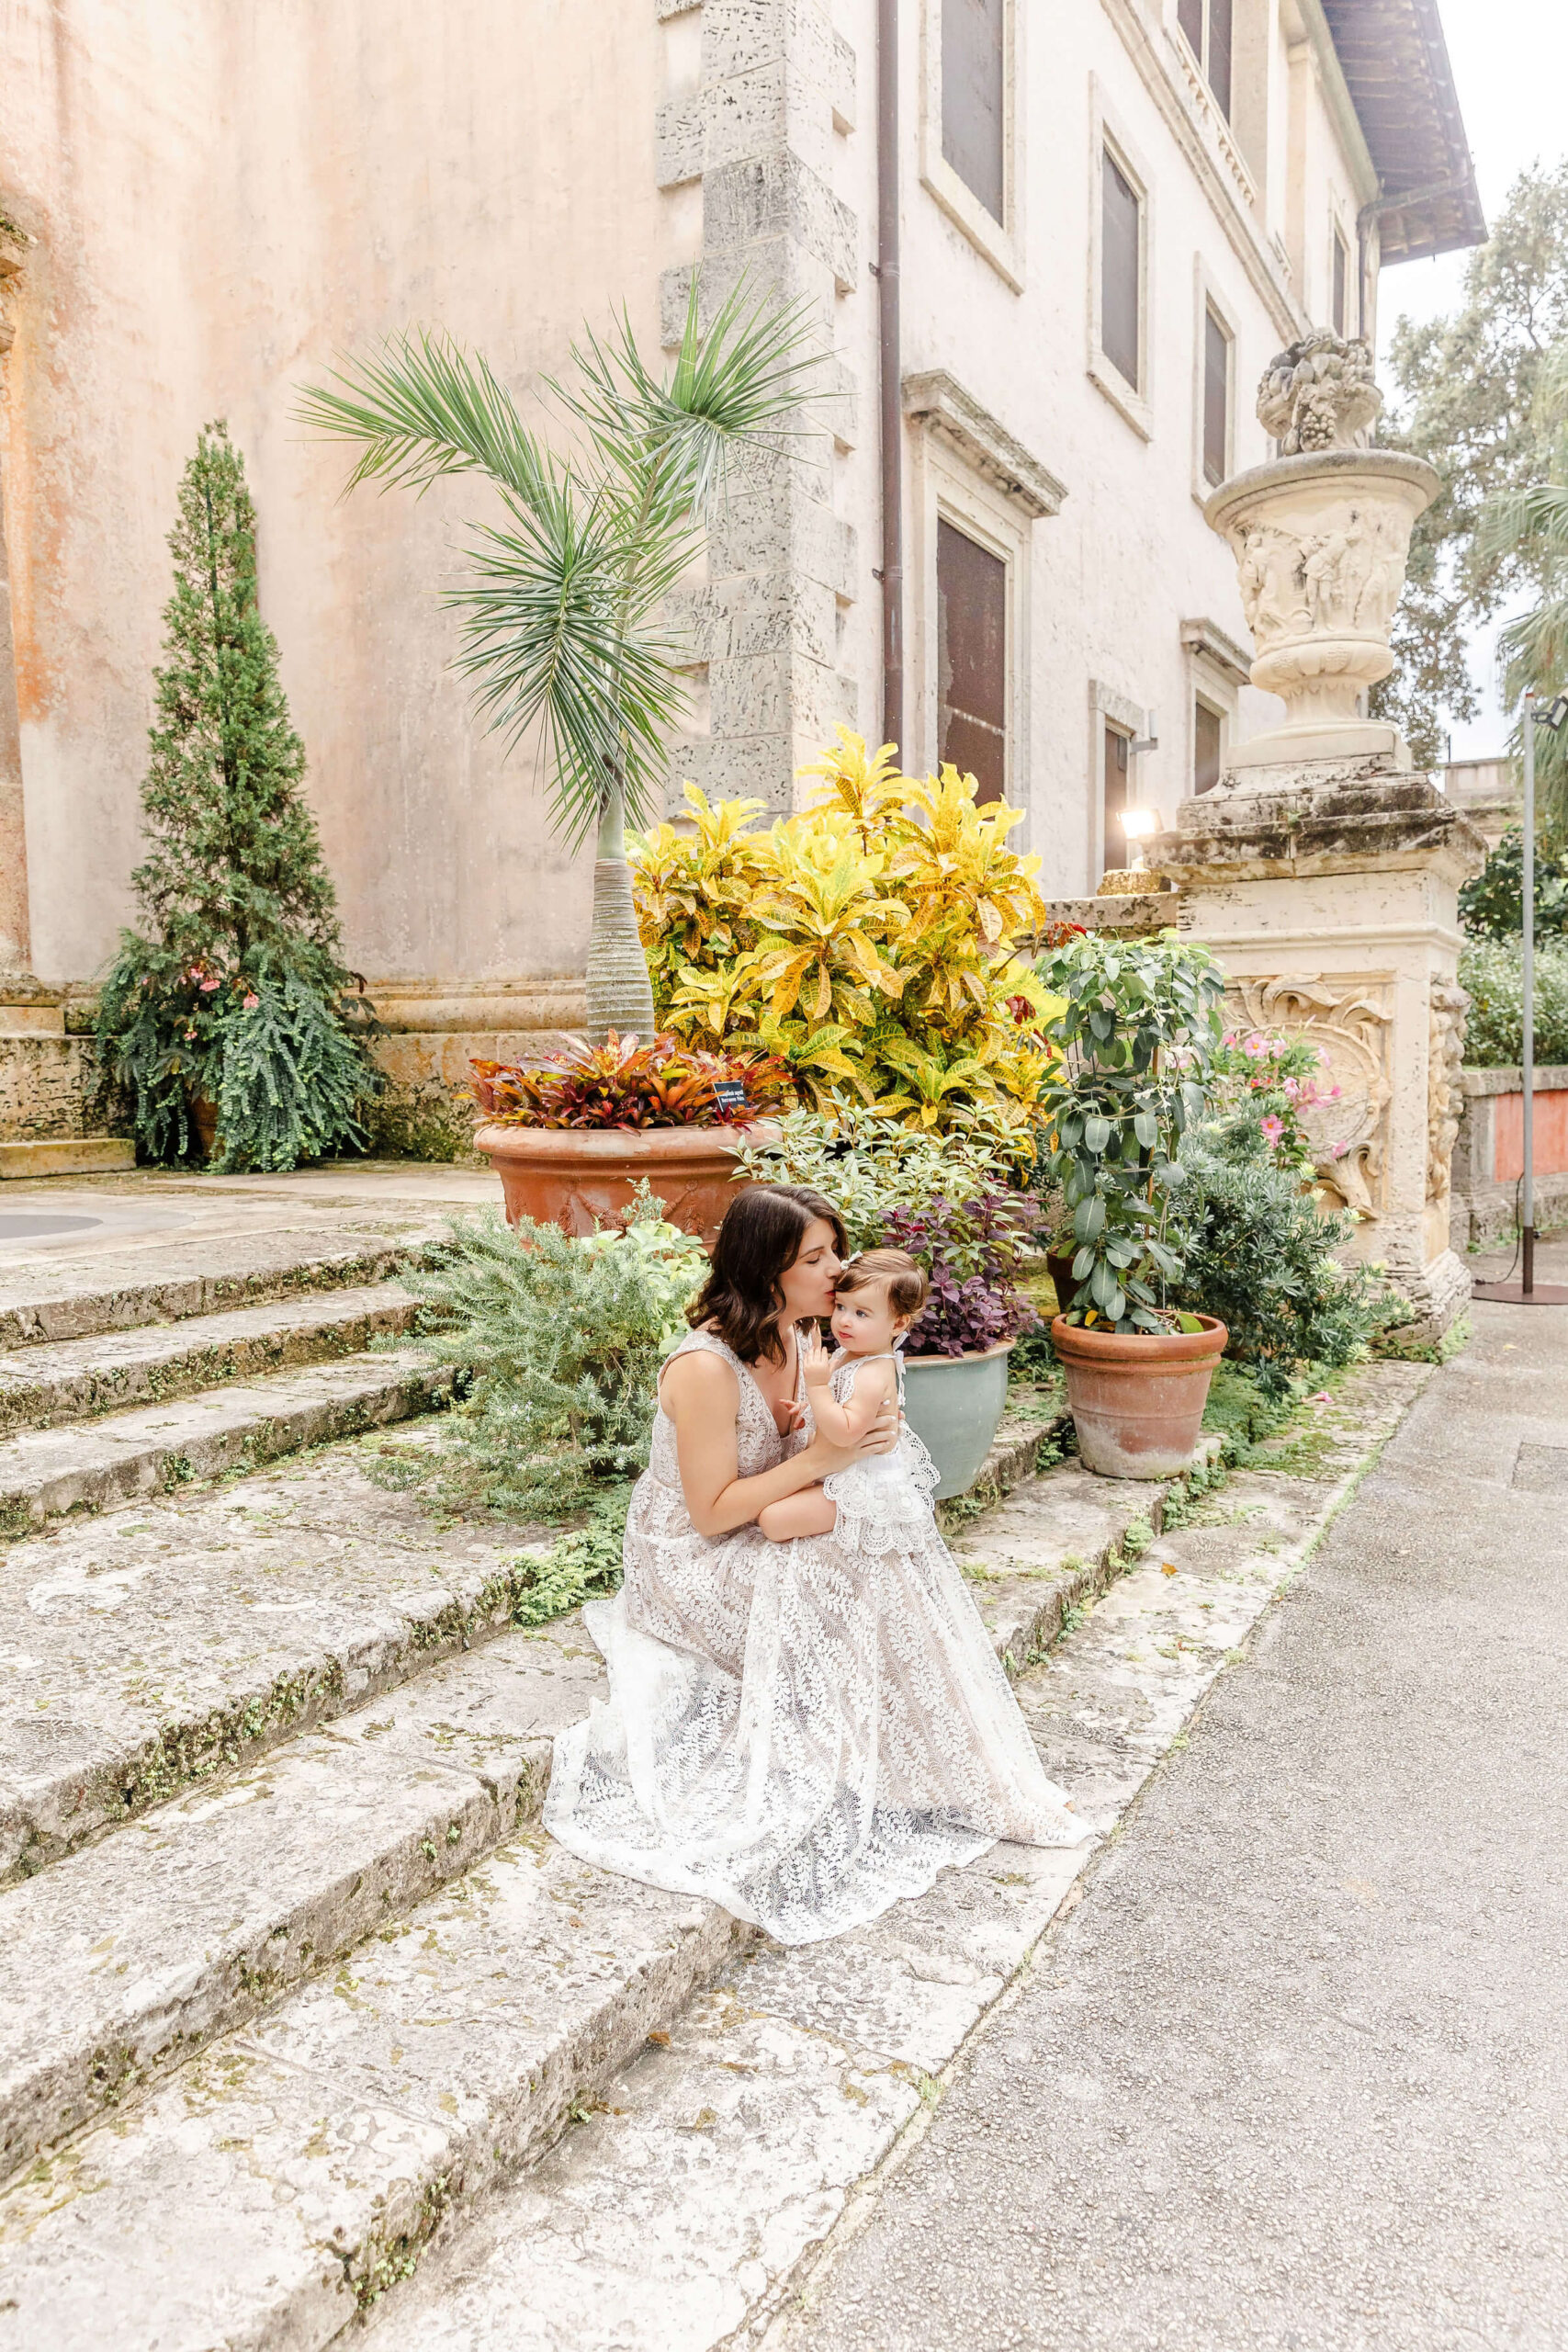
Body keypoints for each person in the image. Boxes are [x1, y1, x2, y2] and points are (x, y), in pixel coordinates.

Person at [544, 1186, 1089, 1947]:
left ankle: (966, 1769)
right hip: (693, 1557)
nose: (837, 1271)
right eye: (814, 1258)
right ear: (766, 1267)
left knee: (868, 1546)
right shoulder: (704, 1368)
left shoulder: (806, 1339)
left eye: (835, 1250)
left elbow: (827, 1447)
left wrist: (869, 1439)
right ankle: (947, 1771)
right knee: (846, 1561)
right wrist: (830, 1455)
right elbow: (709, 1514)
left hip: (761, 1522)